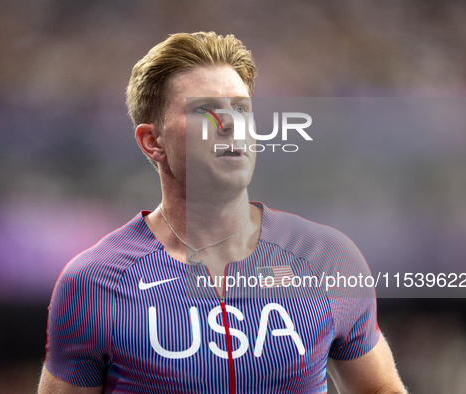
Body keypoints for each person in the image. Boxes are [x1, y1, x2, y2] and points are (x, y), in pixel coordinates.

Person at [38, 32, 407, 393]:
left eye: (241, 108)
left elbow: (378, 388)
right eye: (205, 109)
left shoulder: (326, 259)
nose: (231, 124)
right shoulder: (95, 283)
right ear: (153, 142)